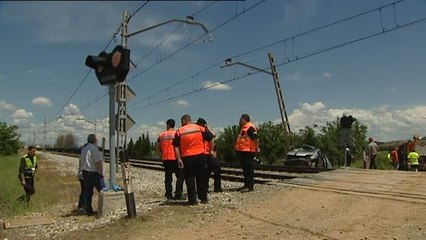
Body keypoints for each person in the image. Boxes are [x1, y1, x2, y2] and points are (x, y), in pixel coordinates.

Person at [172, 114, 214, 205]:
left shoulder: (180, 131)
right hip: (200, 156)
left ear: (183, 121)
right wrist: (211, 151)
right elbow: (211, 138)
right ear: (190, 120)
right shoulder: (199, 128)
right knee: (201, 177)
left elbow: (175, 146)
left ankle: (192, 200)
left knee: (189, 179)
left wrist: (178, 159)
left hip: (187, 158)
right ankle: (203, 198)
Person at [156, 119, 184, 200]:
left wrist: (163, 151)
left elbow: (158, 145)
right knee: (180, 176)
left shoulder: (162, 135)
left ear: (168, 125)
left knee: (168, 177)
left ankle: (169, 194)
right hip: (176, 158)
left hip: (166, 158)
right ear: (174, 125)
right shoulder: (176, 133)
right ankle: (178, 193)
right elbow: (180, 145)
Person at [79, 134, 104, 216]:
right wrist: (101, 172)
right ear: (94, 140)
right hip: (93, 173)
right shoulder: (94, 148)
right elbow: (98, 162)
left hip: (85, 173)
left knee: (88, 193)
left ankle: (88, 210)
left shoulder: (84, 149)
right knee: (103, 190)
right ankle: (104, 209)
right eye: (97, 139)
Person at [196, 118, 222, 193]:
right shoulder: (198, 132)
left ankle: (217, 188)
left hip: (209, 154)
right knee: (205, 172)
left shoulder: (206, 131)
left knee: (216, 169)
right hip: (202, 154)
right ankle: (205, 187)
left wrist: (213, 152)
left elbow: (213, 136)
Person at [235, 114, 259, 192]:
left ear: (244, 119)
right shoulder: (244, 128)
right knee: (245, 170)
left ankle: (250, 186)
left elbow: (256, 139)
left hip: (248, 151)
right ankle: (246, 185)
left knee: (248, 170)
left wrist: (257, 148)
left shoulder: (250, 127)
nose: (239, 121)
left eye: (240, 119)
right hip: (243, 152)